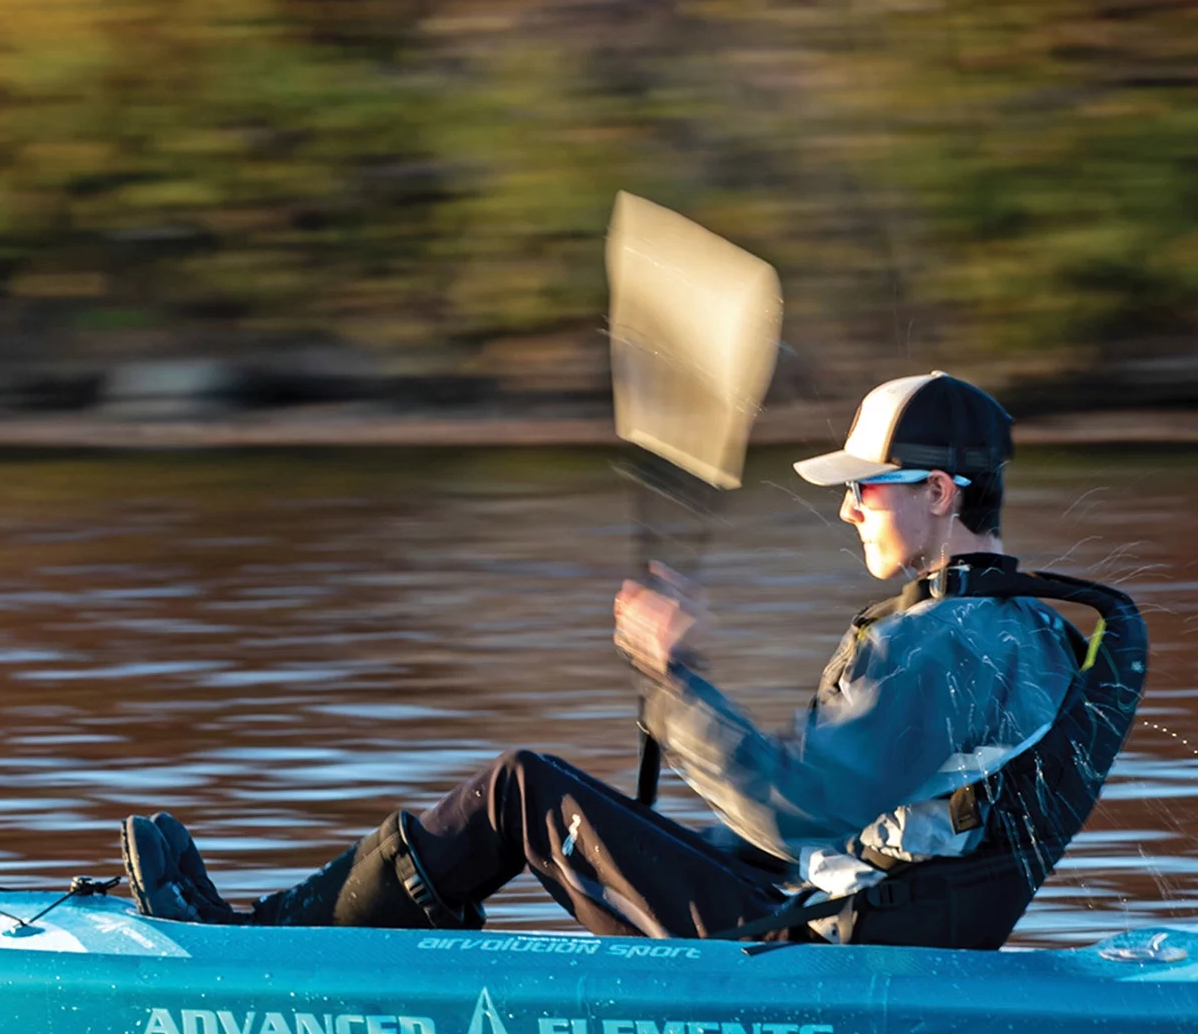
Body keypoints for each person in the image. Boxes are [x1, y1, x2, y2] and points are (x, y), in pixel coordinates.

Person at [122, 371, 1146, 950]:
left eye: (867, 487)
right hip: (872, 923)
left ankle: (259, 950)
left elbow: (799, 810)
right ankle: (302, 932)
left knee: (521, 791)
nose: (847, 508)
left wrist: (676, 682)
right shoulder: (1025, 629)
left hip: (828, 955)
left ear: (941, 491)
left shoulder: (943, 642)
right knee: (597, 810)